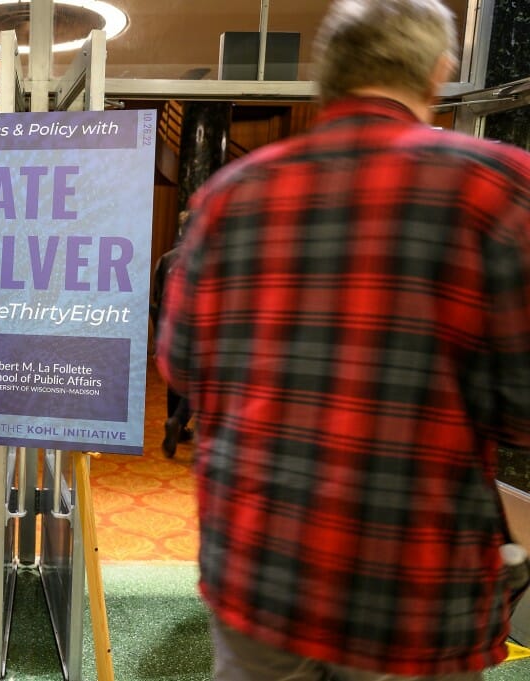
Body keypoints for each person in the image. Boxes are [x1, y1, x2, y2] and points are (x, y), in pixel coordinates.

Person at [157, 0, 530, 678]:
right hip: (411, 584)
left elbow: (182, 365)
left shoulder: (227, 195)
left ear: (325, 77)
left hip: (256, 564)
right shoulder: (497, 187)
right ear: (439, 72)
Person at [151, 210, 192, 458]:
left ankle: (175, 423)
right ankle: (179, 420)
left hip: (168, 329)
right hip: (195, 329)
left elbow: (156, 297)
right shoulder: (206, 259)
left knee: (173, 377)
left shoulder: (166, 259)